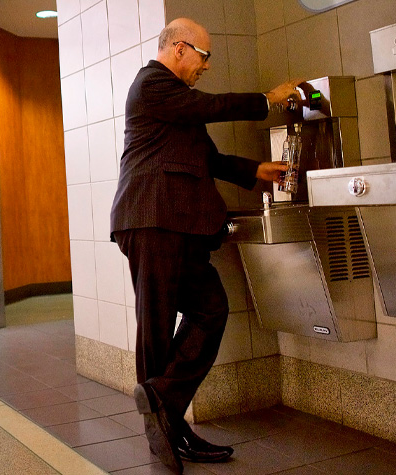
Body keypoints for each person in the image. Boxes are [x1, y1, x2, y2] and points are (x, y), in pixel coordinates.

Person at [109, 18, 302, 473]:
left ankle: (163, 405)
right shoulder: (152, 84)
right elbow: (209, 106)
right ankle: (164, 437)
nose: (207, 67)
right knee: (155, 326)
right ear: (180, 48)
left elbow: (207, 158)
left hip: (177, 224)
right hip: (152, 220)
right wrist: (266, 100)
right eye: (204, 56)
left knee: (211, 308)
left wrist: (254, 171)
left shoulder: (175, 104)